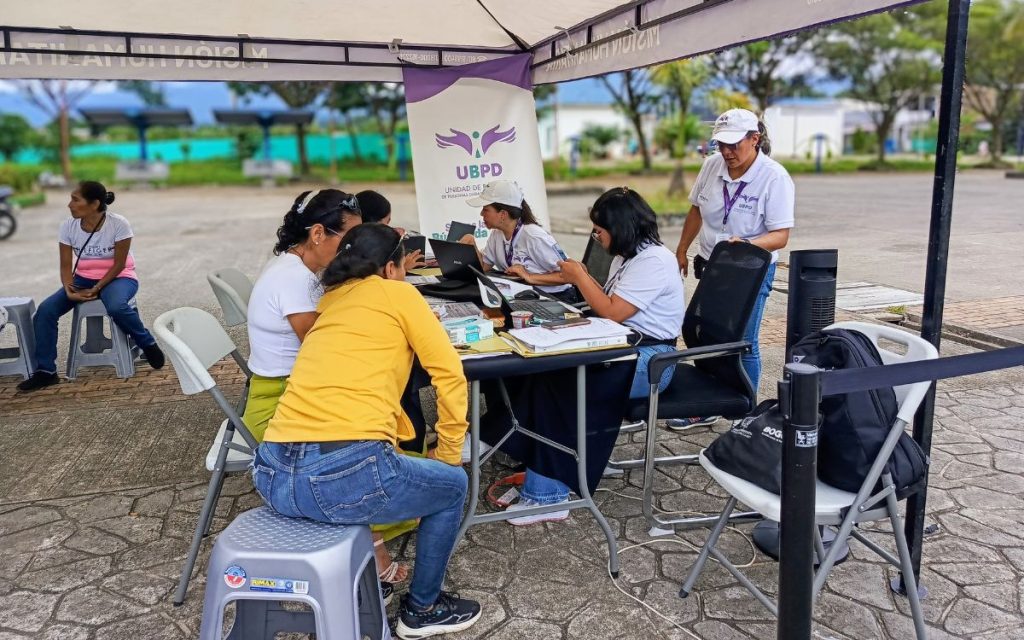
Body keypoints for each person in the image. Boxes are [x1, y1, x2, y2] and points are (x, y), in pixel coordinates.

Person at [252, 223, 481, 639]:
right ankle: (423, 610)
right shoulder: (400, 294)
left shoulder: (330, 303)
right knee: (451, 486)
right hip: (340, 476)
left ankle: (372, 576)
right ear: (392, 269)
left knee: (370, 477)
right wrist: (447, 454)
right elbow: (449, 375)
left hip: (271, 474)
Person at [500, 187, 686, 525]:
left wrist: (580, 276)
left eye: (599, 231)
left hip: (652, 361)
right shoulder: (627, 256)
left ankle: (548, 496)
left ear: (622, 228)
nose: (596, 237)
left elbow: (613, 311)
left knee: (564, 382)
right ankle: (554, 466)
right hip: (624, 346)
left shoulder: (655, 261)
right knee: (544, 372)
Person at [671, 108, 794, 431]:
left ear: (755, 139)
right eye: (720, 145)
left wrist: (750, 243)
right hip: (713, 266)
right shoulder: (712, 166)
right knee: (707, 332)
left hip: (751, 269)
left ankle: (746, 414)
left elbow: (781, 234)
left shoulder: (774, 177)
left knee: (744, 340)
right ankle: (708, 404)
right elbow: (696, 210)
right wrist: (682, 249)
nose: (726, 152)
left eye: (733, 145)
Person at [18, 181, 165, 392]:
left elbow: (119, 264)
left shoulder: (118, 224)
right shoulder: (68, 226)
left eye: (75, 199)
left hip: (119, 277)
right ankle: (46, 372)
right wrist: (69, 289)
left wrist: (97, 288)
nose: (69, 204)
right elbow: (66, 265)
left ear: (95, 204)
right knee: (46, 310)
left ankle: (146, 342)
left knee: (116, 306)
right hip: (82, 279)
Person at [459, 180, 577, 302]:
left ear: (503, 214)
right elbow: (484, 267)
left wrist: (529, 277)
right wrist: (471, 247)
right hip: (526, 296)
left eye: (486, 209)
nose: (481, 213)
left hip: (557, 298)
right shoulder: (497, 234)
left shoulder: (534, 236)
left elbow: (570, 275)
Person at [355, 189, 424, 270]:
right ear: (375, 224)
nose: (389, 228)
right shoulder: (368, 253)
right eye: (387, 222)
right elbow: (380, 277)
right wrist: (401, 268)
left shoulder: (350, 242)